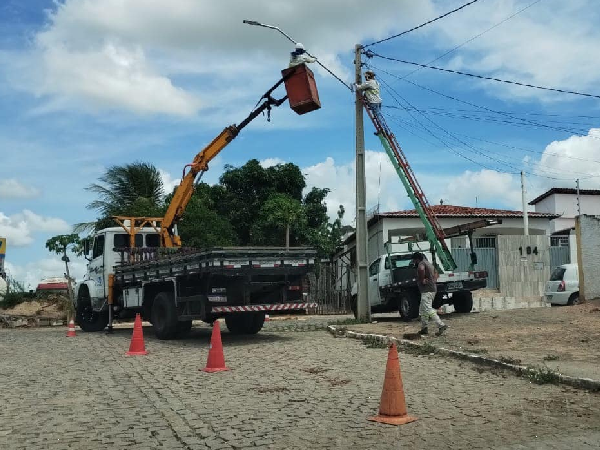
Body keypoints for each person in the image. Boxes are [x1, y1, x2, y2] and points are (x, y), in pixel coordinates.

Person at [411, 252, 448, 336]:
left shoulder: (421, 264)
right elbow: (436, 273)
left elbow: (421, 269)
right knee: (423, 309)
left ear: (417, 259)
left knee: (427, 308)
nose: (414, 262)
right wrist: (433, 281)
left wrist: (422, 279)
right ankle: (424, 328)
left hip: (427, 290)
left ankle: (441, 325)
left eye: (414, 260)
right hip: (431, 289)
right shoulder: (428, 263)